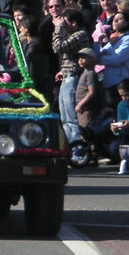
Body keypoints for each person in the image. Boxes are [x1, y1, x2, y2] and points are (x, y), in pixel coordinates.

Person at [52, 8, 93, 154]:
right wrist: (62, 70)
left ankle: (78, 150)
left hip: (73, 79)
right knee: (64, 118)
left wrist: (58, 28)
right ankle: (70, 149)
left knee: (71, 118)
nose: (63, 24)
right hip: (67, 76)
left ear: (74, 23)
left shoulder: (80, 35)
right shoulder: (72, 35)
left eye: (66, 21)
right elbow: (69, 56)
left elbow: (58, 47)